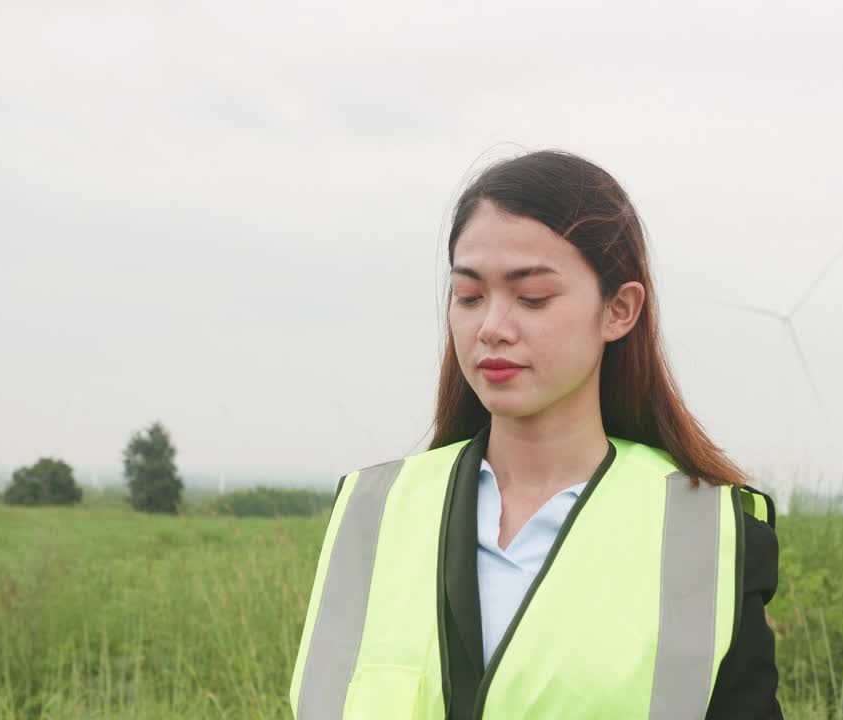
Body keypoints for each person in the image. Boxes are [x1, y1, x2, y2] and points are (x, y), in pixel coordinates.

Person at [289, 150, 782, 719]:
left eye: (533, 298)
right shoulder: (371, 513)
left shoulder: (705, 532)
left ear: (619, 310)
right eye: (469, 296)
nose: (492, 328)